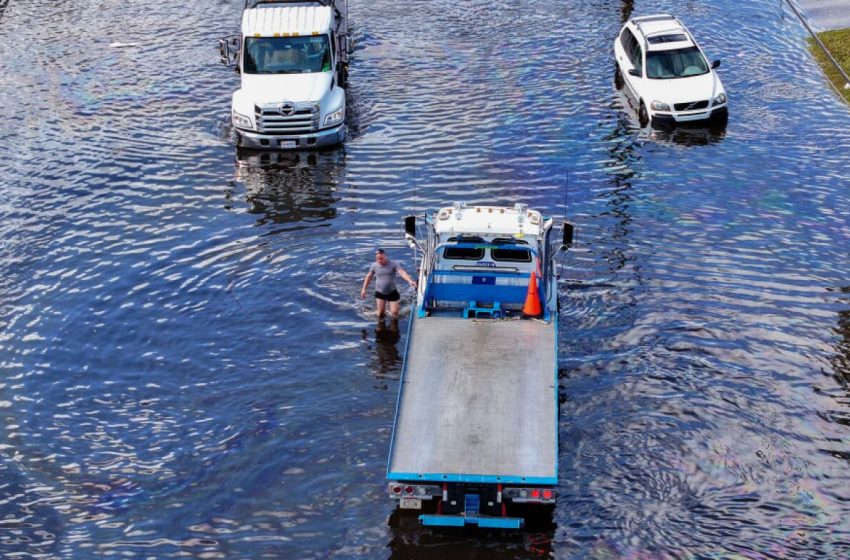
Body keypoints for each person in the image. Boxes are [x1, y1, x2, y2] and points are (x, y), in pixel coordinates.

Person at [360, 248, 417, 319]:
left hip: (392, 292)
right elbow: (369, 276)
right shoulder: (374, 265)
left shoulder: (393, 264)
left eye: (381, 258)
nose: (379, 261)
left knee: (394, 313)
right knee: (380, 314)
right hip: (380, 292)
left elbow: (401, 272)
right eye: (377, 259)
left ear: (385, 256)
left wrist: (409, 280)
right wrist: (364, 289)